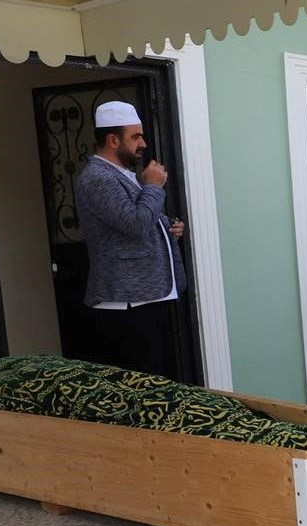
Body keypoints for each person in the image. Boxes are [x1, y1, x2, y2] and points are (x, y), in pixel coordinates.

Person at [74, 100, 186, 379]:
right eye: (136, 136)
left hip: (146, 298)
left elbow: (138, 220)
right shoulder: (98, 178)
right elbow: (134, 224)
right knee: (143, 390)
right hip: (127, 304)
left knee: (160, 384)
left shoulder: (122, 175)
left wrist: (167, 226)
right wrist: (152, 186)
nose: (144, 143)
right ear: (113, 139)